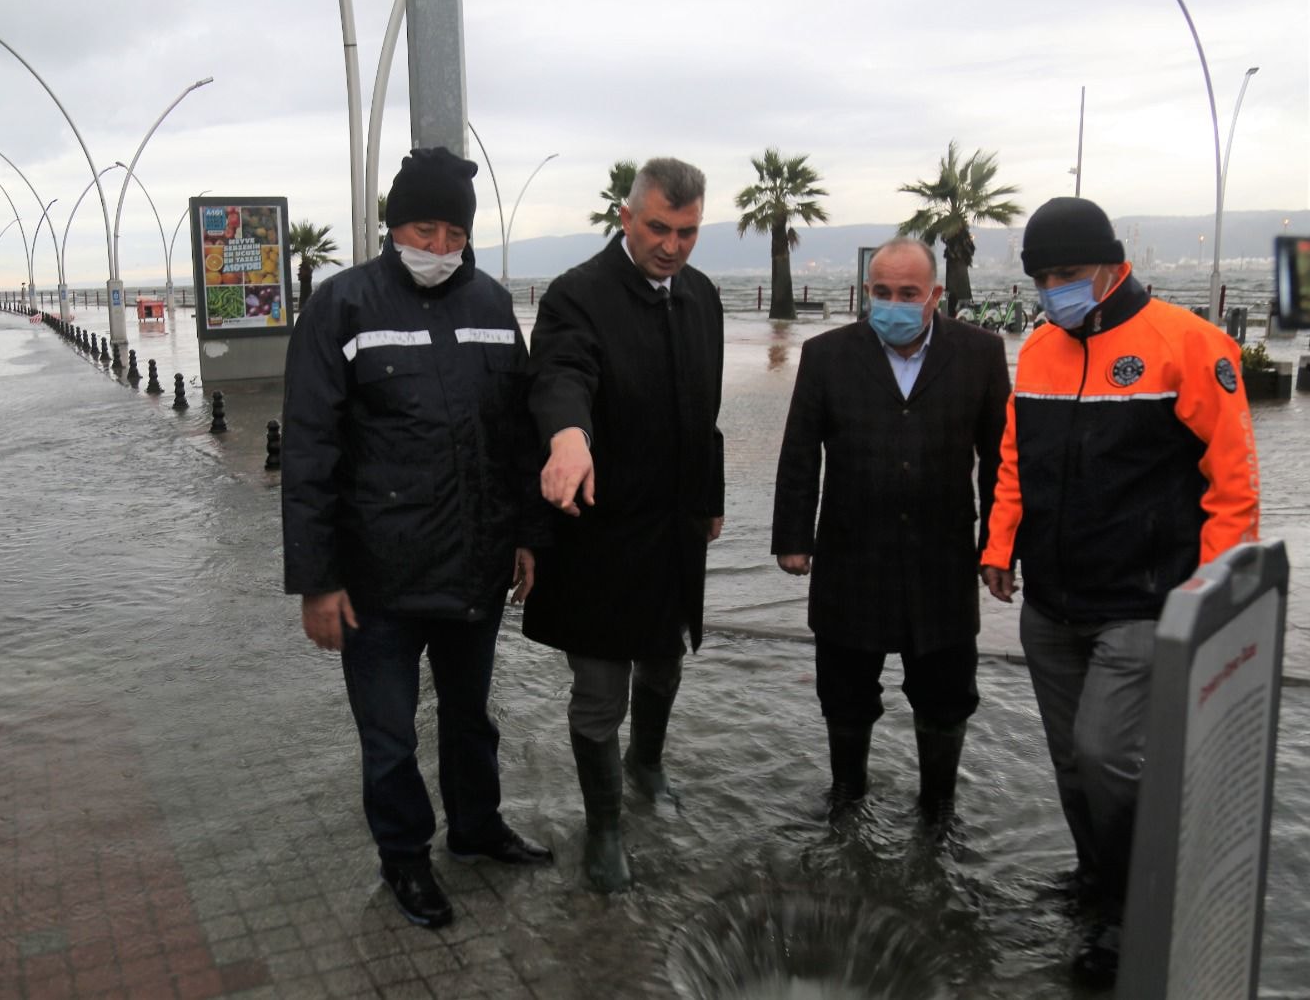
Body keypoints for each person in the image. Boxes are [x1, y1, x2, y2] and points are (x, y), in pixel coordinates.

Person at [979, 197, 1260, 988]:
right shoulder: (1037, 351)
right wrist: (999, 545)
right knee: (1073, 763)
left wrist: (1211, 595)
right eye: (1041, 278)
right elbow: (1014, 459)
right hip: (1051, 603)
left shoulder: (1189, 344)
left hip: (1145, 604)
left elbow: (1232, 484)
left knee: (1107, 757)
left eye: (1067, 274)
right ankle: (1097, 883)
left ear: (1112, 265)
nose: (1053, 289)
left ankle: (1138, 903)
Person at [281, 147, 552, 931]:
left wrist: (528, 538)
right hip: (377, 581)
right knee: (390, 737)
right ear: (391, 226)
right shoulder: (341, 307)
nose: (437, 248)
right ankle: (405, 858)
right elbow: (309, 452)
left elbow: (520, 438)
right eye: (422, 229)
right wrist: (317, 581)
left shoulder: (496, 307)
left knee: (473, 719)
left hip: (476, 565)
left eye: (452, 235)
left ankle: (476, 830)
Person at [523, 157, 724, 892]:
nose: (673, 246)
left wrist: (711, 495)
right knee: (600, 692)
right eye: (660, 229)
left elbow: (707, 416)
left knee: (666, 660)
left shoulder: (703, 297)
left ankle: (647, 763)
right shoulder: (578, 294)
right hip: (600, 530)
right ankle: (603, 828)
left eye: (689, 232)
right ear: (627, 218)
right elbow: (560, 374)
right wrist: (568, 437)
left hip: (675, 526)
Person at [772, 238, 1010, 827]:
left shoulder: (980, 353)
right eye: (882, 292)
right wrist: (793, 538)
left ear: (935, 295)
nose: (894, 304)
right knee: (845, 694)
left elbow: (1002, 457)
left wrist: (1000, 548)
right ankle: (846, 798)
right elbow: (801, 451)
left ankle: (938, 809)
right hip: (851, 556)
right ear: (866, 293)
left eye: (908, 294)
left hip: (944, 559)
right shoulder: (827, 354)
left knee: (946, 696)